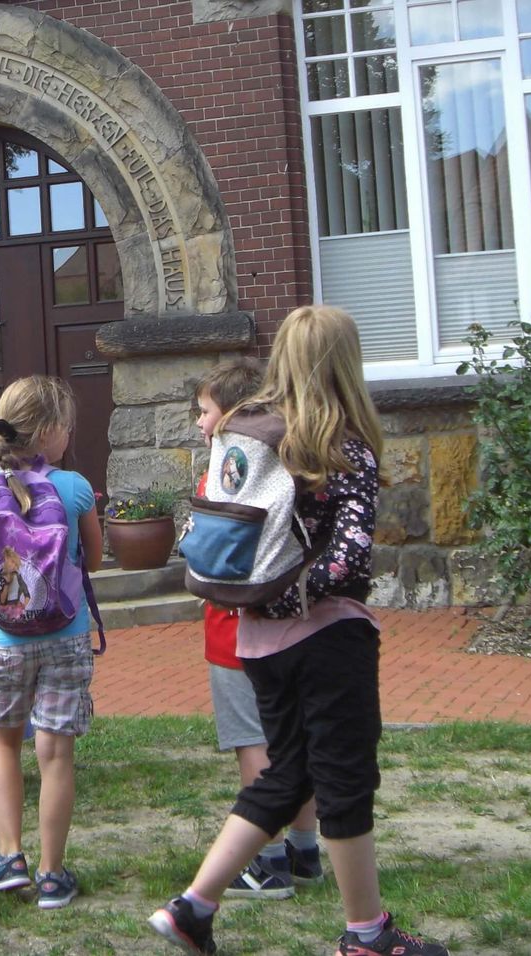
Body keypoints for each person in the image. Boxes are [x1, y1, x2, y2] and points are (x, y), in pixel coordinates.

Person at [148, 307, 447, 956]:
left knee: (288, 774)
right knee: (343, 779)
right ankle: (367, 936)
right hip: (326, 637)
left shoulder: (248, 430)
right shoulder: (343, 445)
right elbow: (352, 559)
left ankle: (194, 906)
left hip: (253, 636)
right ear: (346, 362)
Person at [0, 377, 102, 910]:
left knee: (2, 742)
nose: (69, 434)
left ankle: (8, 858)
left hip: (5, 637)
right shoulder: (74, 488)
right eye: (66, 426)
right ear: (47, 432)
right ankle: (51, 874)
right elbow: (91, 555)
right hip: (65, 636)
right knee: (55, 753)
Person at [193, 359, 323, 900]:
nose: (200, 424)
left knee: (254, 743)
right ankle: (305, 847)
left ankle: (264, 862)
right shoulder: (288, 462)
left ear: (234, 412)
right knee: (293, 740)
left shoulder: (228, 469)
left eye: (205, 412)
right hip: (294, 623)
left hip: (233, 632)